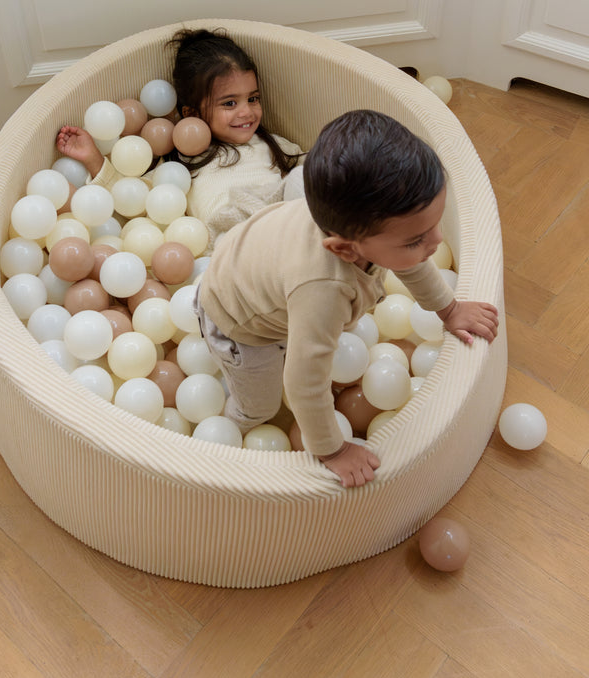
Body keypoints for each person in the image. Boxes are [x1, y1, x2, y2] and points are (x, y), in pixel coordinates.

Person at [194, 109, 499, 488]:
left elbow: (413, 263)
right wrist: (333, 450)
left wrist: (449, 310)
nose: (435, 242)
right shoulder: (323, 290)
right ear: (344, 250)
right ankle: (229, 430)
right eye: (416, 239)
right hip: (236, 321)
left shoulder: (361, 230)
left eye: (434, 225)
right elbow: (304, 382)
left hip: (254, 269)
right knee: (262, 406)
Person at [56, 28, 304, 245]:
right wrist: (93, 158)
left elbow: (310, 171)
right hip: (231, 236)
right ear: (192, 113)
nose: (247, 111)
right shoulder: (179, 162)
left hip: (280, 218)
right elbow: (132, 199)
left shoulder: (271, 143)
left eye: (253, 99)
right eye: (229, 103)